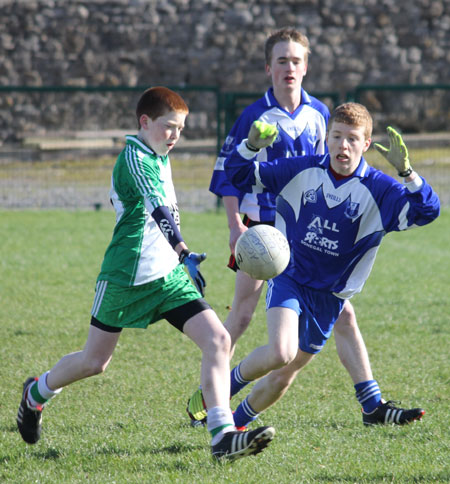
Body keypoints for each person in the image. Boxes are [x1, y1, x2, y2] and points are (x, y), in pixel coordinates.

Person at [16, 86, 275, 461]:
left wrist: (247, 148)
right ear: (145, 122)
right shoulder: (135, 157)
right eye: (169, 127)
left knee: (218, 339)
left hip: (168, 277)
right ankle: (35, 394)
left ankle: (222, 437)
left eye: (181, 129)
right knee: (95, 362)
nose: (175, 136)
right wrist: (183, 249)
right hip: (125, 276)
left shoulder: (158, 153)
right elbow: (157, 208)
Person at [187, 27, 409, 427]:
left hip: (305, 230)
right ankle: (212, 392)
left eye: (296, 60)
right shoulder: (254, 115)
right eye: (281, 60)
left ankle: (370, 402)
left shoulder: (321, 114)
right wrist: (235, 225)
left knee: (340, 316)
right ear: (268, 66)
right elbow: (229, 173)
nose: (289, 67)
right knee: (241, 315)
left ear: (306, 67)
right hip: (262, 231)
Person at [218, 102, 439, 430]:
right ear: (326, 138)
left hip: (331, 296)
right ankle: (220, 394)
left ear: (366, 144)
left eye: (352, 139)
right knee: (281, 351)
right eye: (336, 136)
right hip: (289, 277)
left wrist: (407, 174)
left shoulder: (380, 190)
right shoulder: (302, 169)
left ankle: (233, 425)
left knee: (283, 377)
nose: (343, 145)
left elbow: (427, 211)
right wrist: (250, 146)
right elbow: (238, 176)